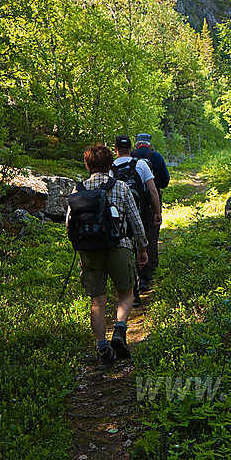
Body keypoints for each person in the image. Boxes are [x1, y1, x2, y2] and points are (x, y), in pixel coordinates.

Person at [73, 144, 148, 368]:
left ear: (87, 165)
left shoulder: (78, 190)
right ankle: (119, 330)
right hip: (120, 246)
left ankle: (102, 349)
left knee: (97, 301)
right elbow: (136, 221)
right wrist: (142, 249)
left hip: (89, 251)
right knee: (126, 293)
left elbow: (70, 223)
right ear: (110, 165)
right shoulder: (122, 187)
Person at [112, 135, 161, 296]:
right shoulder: (140, 164)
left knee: (126, 247)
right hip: (141, 211)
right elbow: (153, 190)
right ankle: (144, 279)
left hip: (119, 215)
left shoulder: (111, 167)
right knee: (142, 241)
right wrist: (157, 212)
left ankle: (132, 289)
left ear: (116, 149)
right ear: (131, 149)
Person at [131, 133, 169, 287]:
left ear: (136, 144)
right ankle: (150, 271)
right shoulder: (157, 157)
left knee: (133, 234)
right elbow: (165, 181)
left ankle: (135, 270)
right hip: (152, 202)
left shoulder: (129, 157)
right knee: (151, 235)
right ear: (148, 144)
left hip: (132, 202)